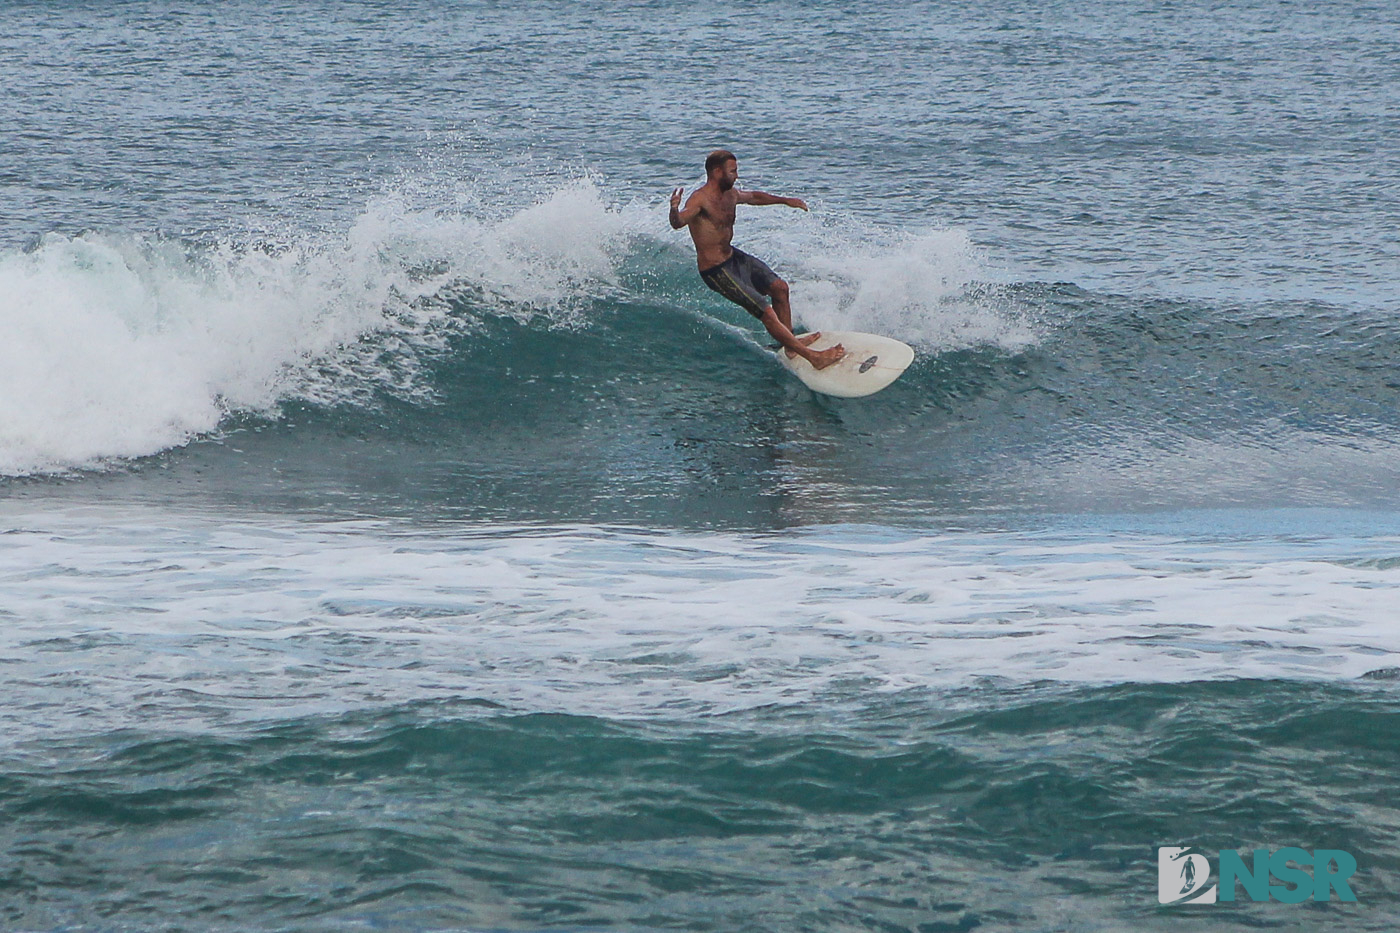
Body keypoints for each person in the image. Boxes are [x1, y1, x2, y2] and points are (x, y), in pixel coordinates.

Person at [670, 150, 844, 370]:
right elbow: (679, 222)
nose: (736, 176)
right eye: (733, 171)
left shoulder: (730, 194)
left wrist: (785, 201)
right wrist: (674, 209)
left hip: (732, 257)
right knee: (767, 313)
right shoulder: (700, 199)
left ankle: (791, 346)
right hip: (716, 270)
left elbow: (754, 197)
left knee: (780, 288)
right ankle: (814, 358)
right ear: (717, 172)